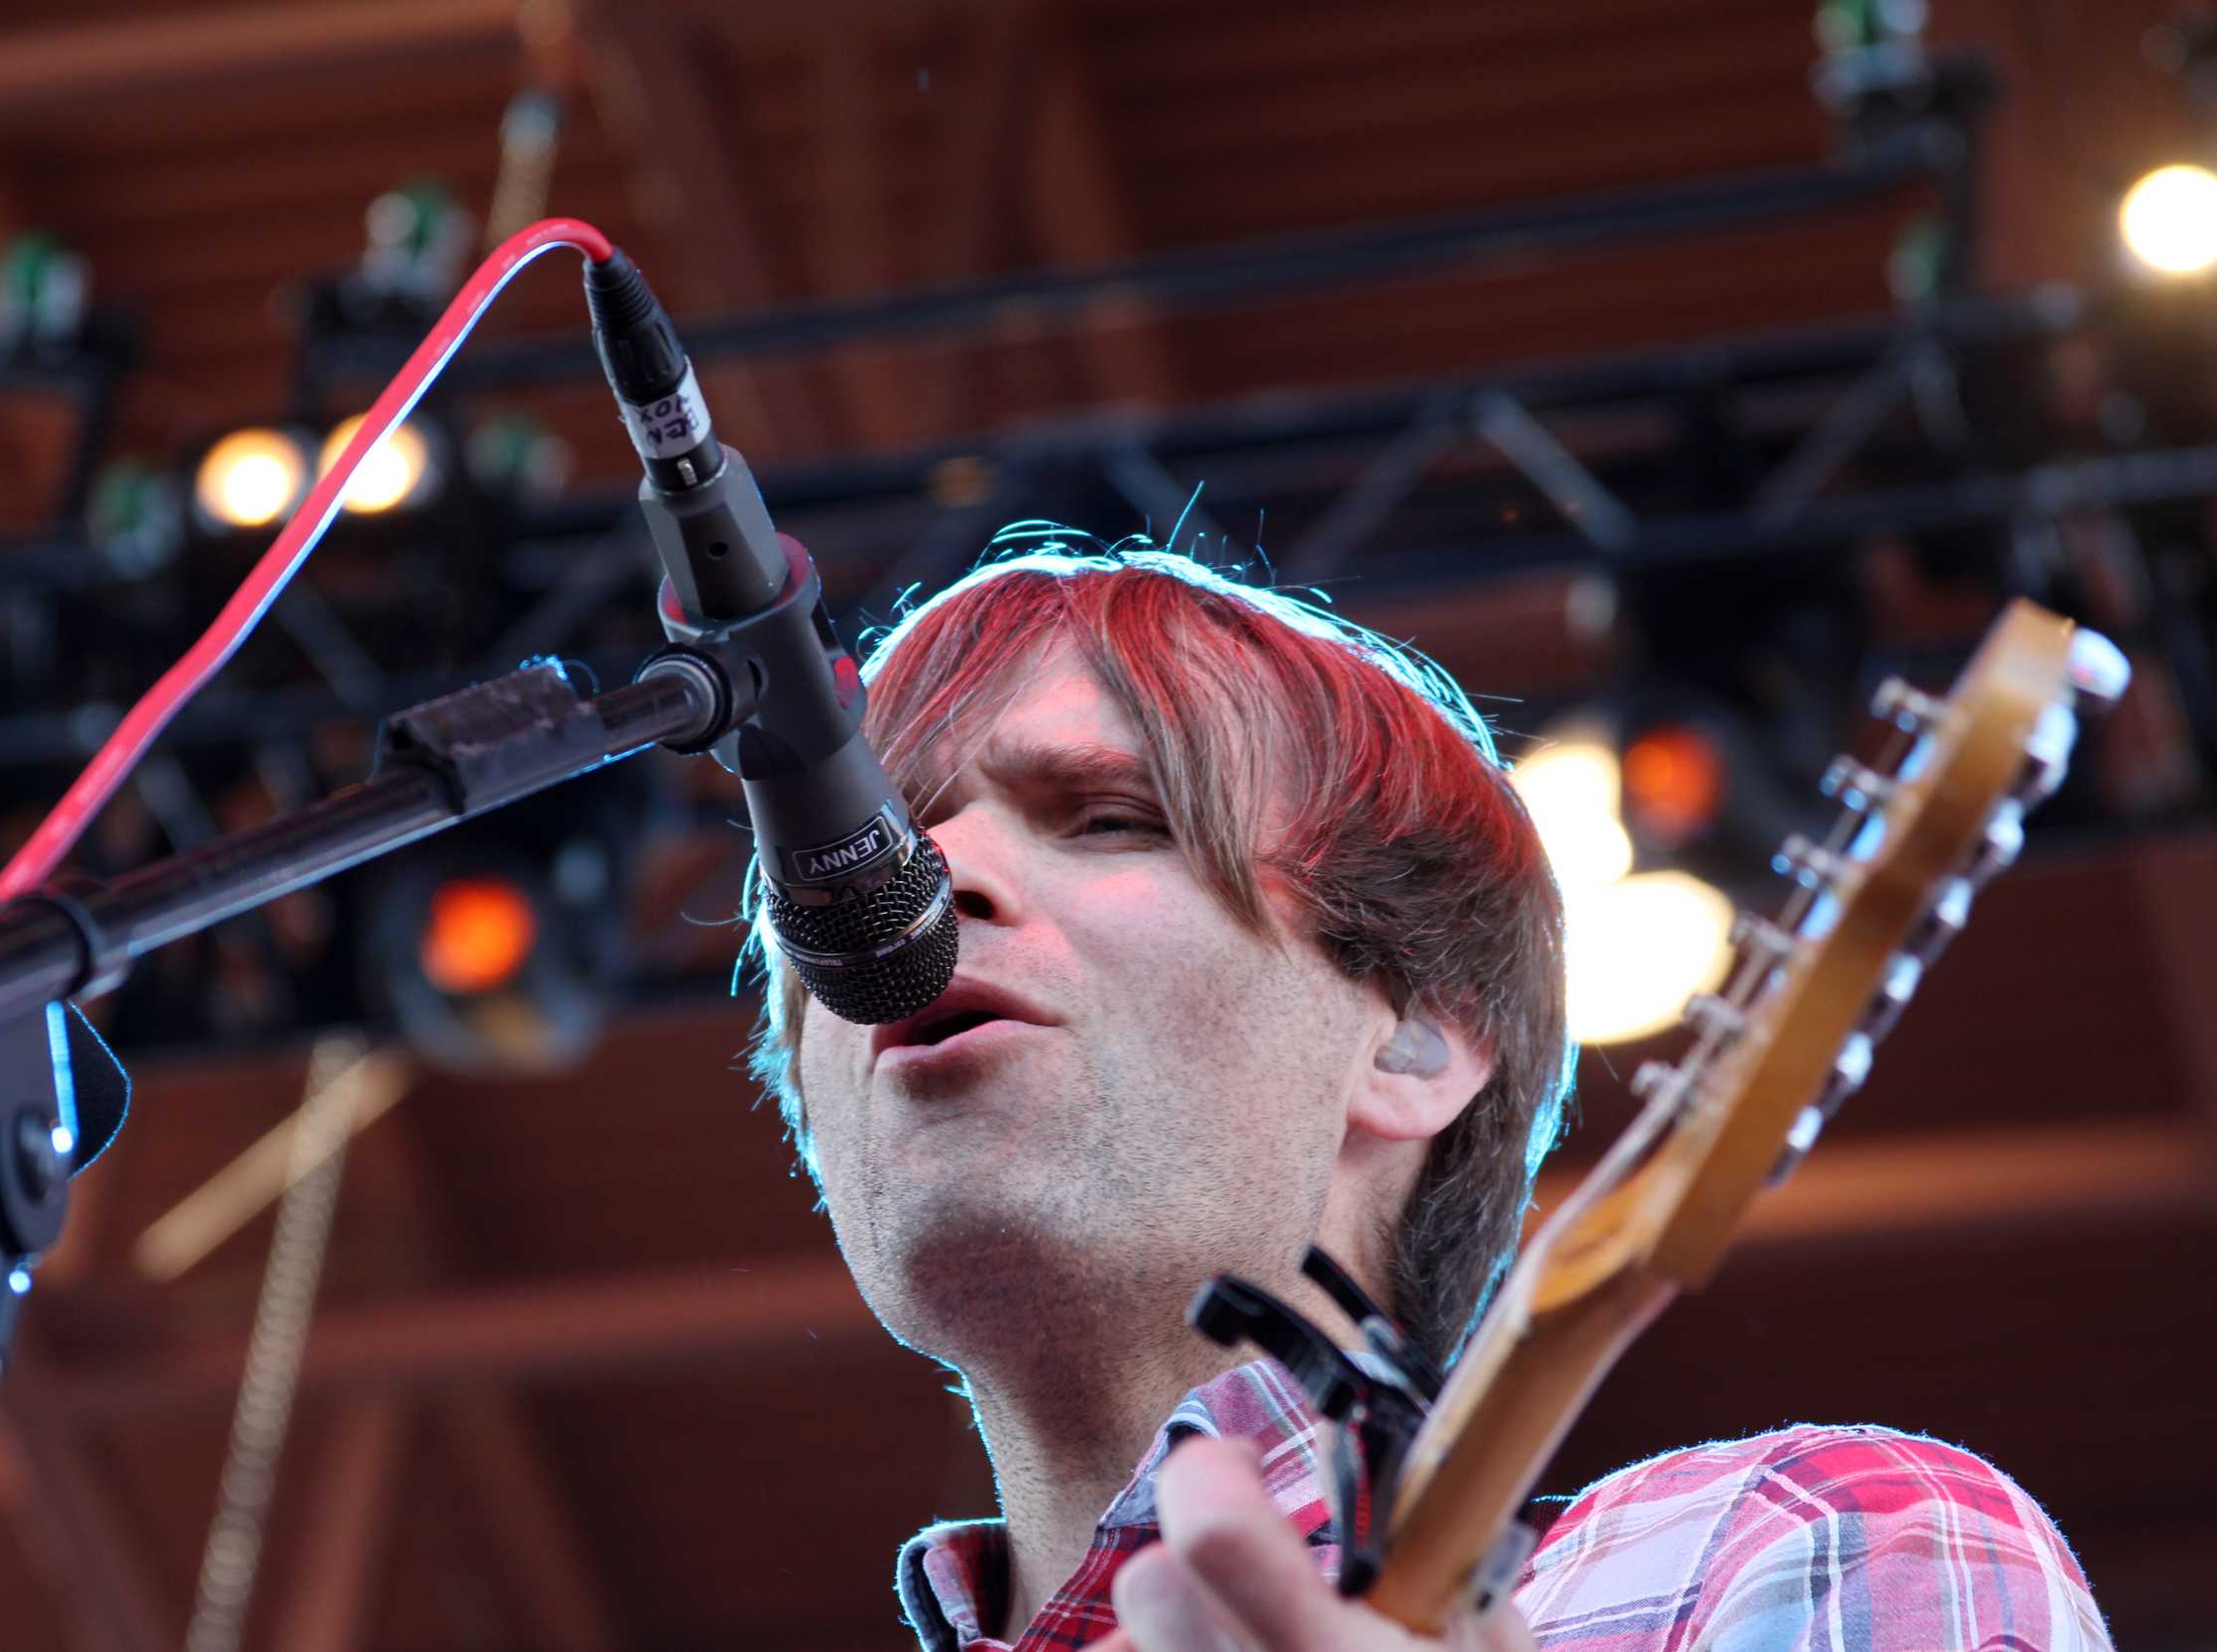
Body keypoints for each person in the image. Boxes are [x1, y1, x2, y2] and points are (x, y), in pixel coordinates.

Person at [744, 530, 2111, 1652]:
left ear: (1416, 1041)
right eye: (861, 870)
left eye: (1110, 817)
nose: (923, 893)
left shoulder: (1800, 1538)